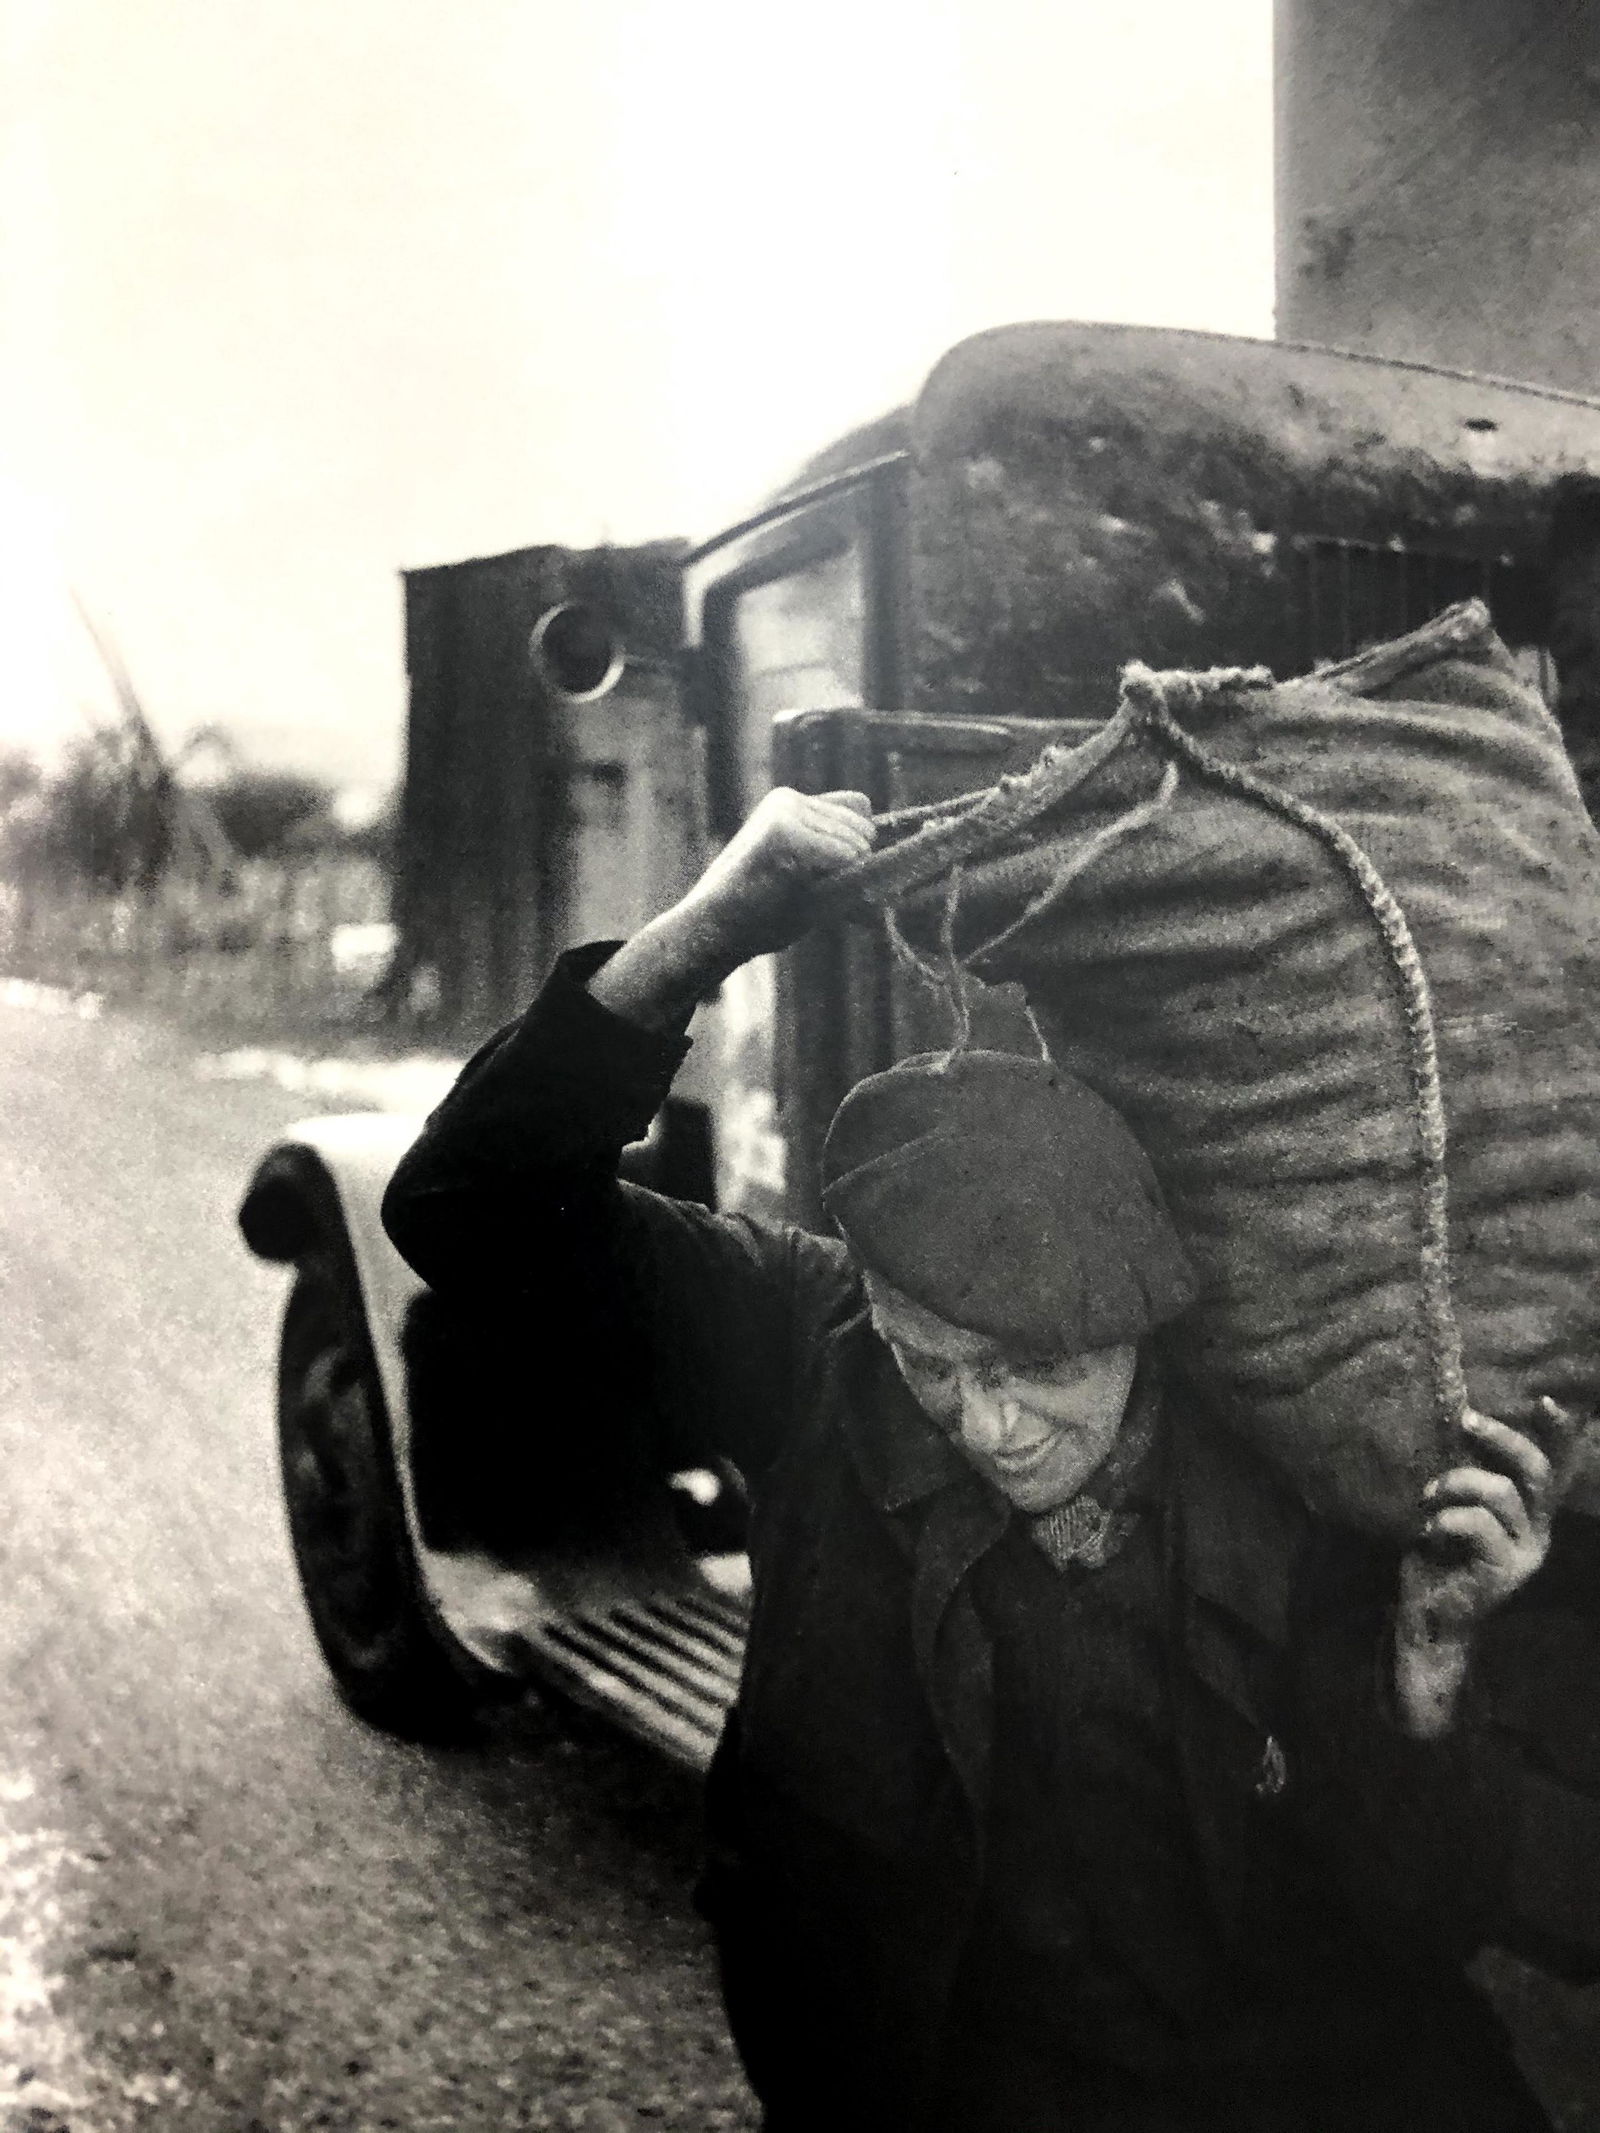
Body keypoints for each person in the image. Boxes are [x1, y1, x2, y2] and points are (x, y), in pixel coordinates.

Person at [382, 787, 1598, 2133]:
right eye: (933, 1359)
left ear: (1145, 1316)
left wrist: (1426, 1675)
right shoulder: (811, 1343)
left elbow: (1427, 1914)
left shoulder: (1292, 1448)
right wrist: (712, 926)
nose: (985, 1422)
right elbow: (466, 1209)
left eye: (1038, 1369)